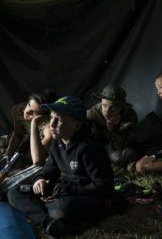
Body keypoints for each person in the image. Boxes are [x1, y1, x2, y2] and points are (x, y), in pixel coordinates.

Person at [7, 96, 114, 238]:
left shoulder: (90, 148)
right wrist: (40, 179)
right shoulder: (57, 144)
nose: (52, 124)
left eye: (59, 119)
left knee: (62, 208)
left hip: (85, 197)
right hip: (63, 192)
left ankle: (46, 215)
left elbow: (104, 186)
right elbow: (49, 170)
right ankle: (50, 223)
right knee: (14, 192)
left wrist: (67, 190)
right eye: (52, 117)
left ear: (77, 125)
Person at [0, 90, 57, 196]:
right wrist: (8, 154)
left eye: (34, 112)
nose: (27, 112)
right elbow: (18, 135)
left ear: (45, 115)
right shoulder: (19, 110)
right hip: (23, 147)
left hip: (37, 158)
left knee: (8, 185)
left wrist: (34, 124)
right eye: (29, 105)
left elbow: (38, 160)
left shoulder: (49, 126)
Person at [87, 85, 138, 171]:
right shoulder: (94, 112)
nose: (107, 110)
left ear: (120, 108)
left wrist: (112, 129)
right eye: (104, 105)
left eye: (112, 107)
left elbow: (123, 145)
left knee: (125, 154)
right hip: (97, 146)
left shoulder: (129, 117)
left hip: (116, 149)